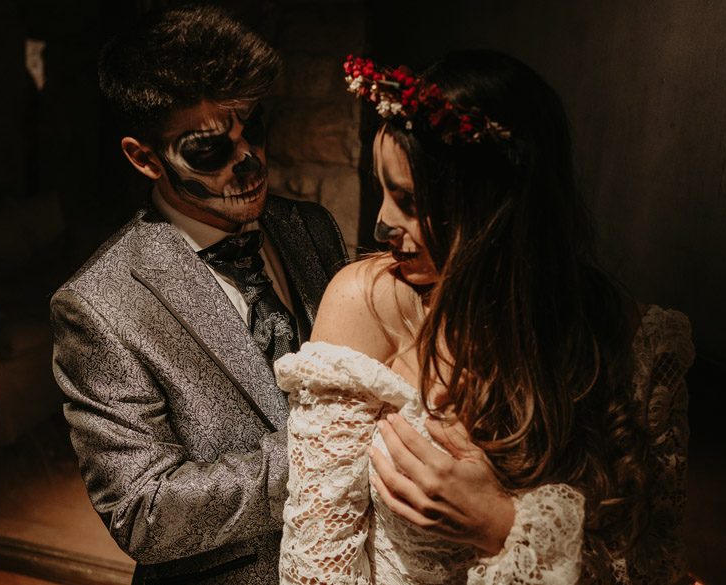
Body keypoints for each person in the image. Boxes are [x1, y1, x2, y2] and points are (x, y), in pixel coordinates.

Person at [275, 51, 694, 584]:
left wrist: (501, 525)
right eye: (382, 190)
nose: (381, 224)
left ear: (491, 206)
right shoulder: (369, 304)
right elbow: (316, 565)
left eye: (410, 200)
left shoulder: (634, 341)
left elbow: (654, 566)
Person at [50, 6, 348, 585]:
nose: (249, 162)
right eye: (209, 150)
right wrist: (327, 449)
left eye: (254, 129)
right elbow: (144, 512)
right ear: (144, 157)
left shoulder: (311, 227)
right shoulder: (99, 305)